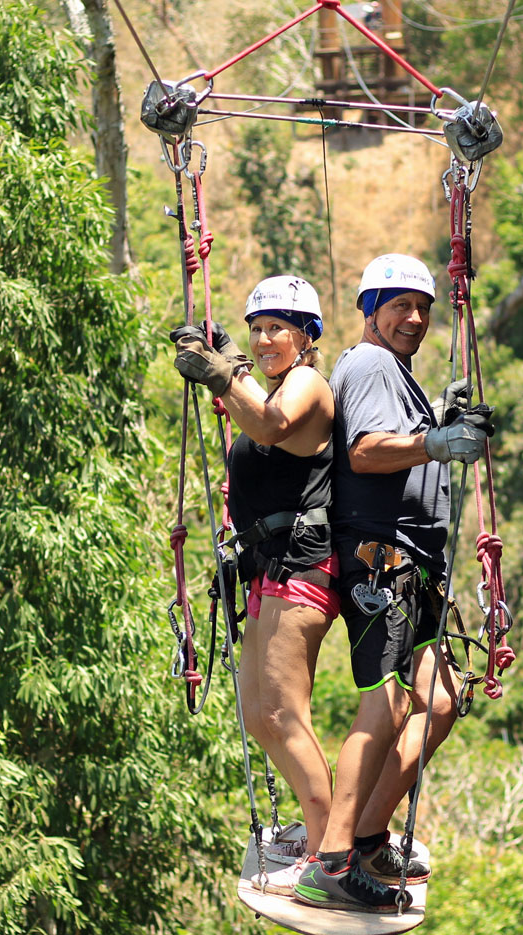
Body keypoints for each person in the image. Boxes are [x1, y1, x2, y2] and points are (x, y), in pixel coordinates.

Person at [292, 253, 495, 913]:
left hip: (417, 564)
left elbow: (397, 432)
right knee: (387, 705)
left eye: (422, 307)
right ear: (370, 308)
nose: (414, 317)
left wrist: (437, 417)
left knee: (439, 702)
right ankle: (331, 857)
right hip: (383, 557)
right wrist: (436, 441)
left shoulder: (398, 374)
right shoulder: (372, 363)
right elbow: (365, 449)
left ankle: (371, 833)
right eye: (399, 305)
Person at [170, 276, 338, 896]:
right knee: (257, 716)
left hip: (304, 568)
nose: (266, 339)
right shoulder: (273, 381)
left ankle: (328, 849)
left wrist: (222, 373)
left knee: (283, 714)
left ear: (307, 336)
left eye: (279, 328)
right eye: (257, 329)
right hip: (270, 566)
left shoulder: (308, 384)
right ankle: (315, 824)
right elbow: (253, 411)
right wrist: (225, 362)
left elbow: (269, 426)